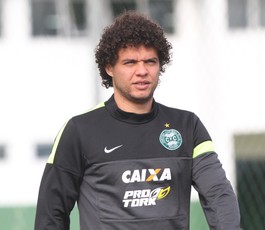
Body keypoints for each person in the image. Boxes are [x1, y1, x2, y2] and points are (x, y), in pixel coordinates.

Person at [34, 11, 241, 230]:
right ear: (109, 68)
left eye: (150, 61)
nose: (142, 71)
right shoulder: (79, 130)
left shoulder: (188, 126)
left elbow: (218, 194)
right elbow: (51, 214)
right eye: (130, 62)